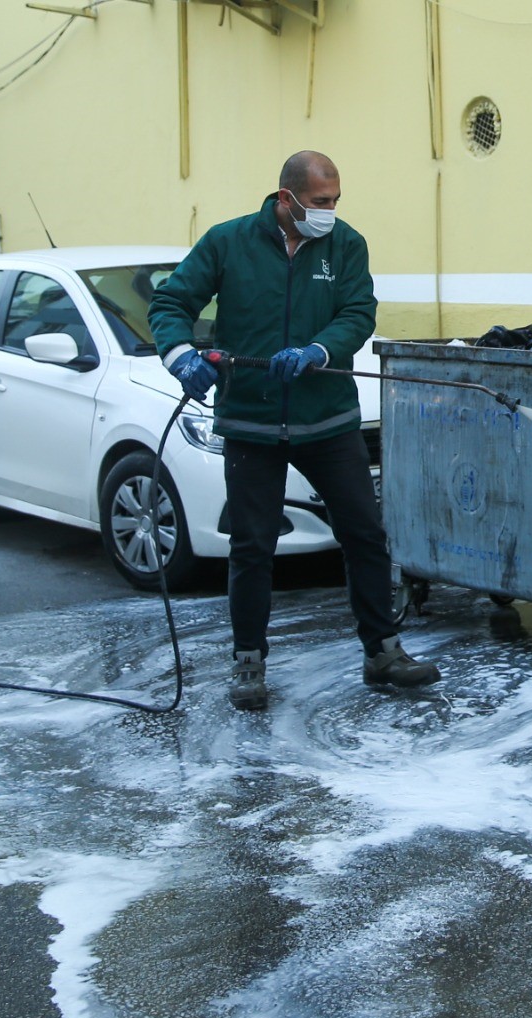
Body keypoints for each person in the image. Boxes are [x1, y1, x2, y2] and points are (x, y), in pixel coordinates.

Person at [149, 150, 439, 709]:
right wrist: (181, 353)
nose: (330, 212)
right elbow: (171, 299)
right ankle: (248, 663)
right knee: (253, 545)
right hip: (252, 421)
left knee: (363, 533)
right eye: (320, 202)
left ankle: (383, 651)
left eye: (335, 201)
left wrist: (318, 349)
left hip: (326, 419)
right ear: (287, 200)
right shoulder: (227, 242)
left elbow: (358, 312)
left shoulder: (345, 244)